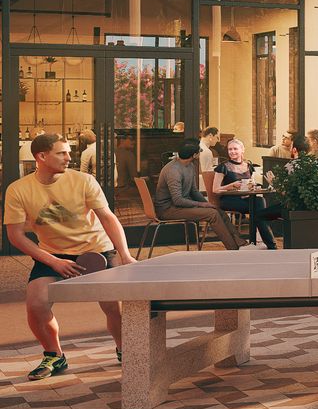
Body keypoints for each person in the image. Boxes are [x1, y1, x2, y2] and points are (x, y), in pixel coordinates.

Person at [6, 133, 138, 380]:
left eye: (68, 152)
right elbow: (15, 236)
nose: (69, 157)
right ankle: (54, 356)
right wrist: (54, 261)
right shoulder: (18, 190)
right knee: (36, 304)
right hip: (53, 254)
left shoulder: (84, 180)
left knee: (114, 306)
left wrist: (125, 255)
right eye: (62, 153)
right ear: (41, 156)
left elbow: (108, 218)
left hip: (96, 250)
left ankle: (125, 348)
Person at [156, 142, 242, 250]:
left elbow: (194, 191)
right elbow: (178, 200)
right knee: (212, 214)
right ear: (194, 155)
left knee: (218, 210)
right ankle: (233, 248)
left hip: (180, 206)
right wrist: (203, 205)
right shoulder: (173, 171)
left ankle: (240, 243)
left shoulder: (190, 166)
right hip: (168, 209)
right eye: (199, 153)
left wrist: (208, 204)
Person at [212, 137, 282, 249]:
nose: (232, 151)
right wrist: (231, 185)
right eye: (230, 149)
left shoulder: (248, 166)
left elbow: (251, 183)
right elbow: (215, 189)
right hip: (229, 200)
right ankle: (268, 244)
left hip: (246, 198)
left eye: (235, 149)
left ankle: (259, 243)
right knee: (258, 209)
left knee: (259, 201)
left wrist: (253, 185)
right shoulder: (223, 167)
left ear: (242, 150)